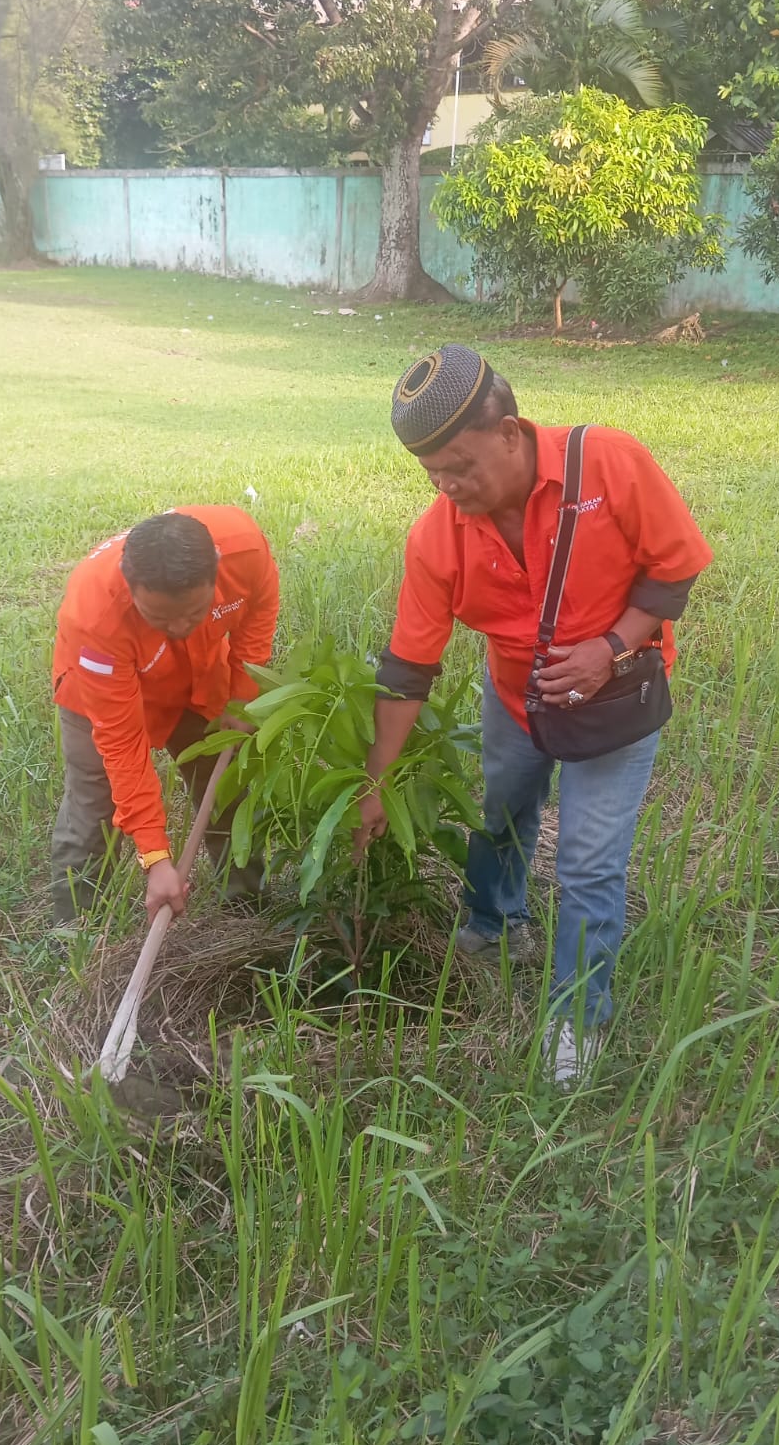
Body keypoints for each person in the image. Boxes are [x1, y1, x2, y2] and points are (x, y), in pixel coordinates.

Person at [354, 344, 712, 1080]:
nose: (450, 486)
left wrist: (610, 647)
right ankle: (491, 923)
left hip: (614, 701)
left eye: (461, 465)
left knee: (586, 864)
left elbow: (676, 564)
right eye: (434, 475)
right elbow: (408, 667)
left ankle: (577, 1018)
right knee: (502, 809)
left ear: (511, 433)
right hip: (516, 700)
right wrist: (377, 781)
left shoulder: (607, 465)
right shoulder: (437, 538)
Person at [51, 505, 279, 928]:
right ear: (130, 585)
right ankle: (77, 936)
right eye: (159, 617)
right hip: (101, 694)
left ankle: (247, 911)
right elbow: (121, 743)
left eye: (194, 614)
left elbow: (257, 623)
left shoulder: (244, 549)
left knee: (226, 785)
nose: (179, 627)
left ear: (216, 573)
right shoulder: (94, 615)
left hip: (199, 678)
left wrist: (243, 700)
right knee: (93, 809)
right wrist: (156, 858)